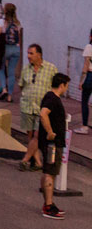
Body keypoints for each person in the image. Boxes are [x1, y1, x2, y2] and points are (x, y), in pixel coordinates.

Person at [18, 43, 58, 171]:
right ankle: (37, 162)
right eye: (28, 53)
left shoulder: (51, 69)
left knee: (37, 135)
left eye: (31, 53)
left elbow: (56, 86)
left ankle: (25, 160)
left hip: (42, 109)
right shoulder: (26, 69)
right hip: (27, 106)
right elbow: (21, 85)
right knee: (30, 136)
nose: (28, 56)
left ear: (39, 55)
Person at [39, 72, 71, 219]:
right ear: (62, 85)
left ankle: (48, 203)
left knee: (48, 171)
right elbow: (43, 113)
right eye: (66, 85)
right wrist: (50, 132)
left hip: (50, 143)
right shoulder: (53, 99)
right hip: (52, 144)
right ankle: (48, 206)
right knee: (50, 173)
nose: (67, 88)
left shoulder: (49, 96)